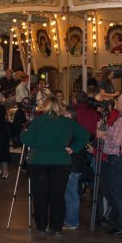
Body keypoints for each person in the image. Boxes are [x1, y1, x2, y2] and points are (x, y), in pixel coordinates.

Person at [20, 96, 89, 235]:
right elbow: (85, 135)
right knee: (58, 196)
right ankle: (56, 228)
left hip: (38, 161)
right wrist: (73, 148)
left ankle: (41, 228)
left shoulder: (38, 121)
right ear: (59, 106)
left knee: (40, 197)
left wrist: (23, 132)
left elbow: (27, 140)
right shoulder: (67, 122)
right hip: (61, 162)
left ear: (45, 106)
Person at [96, 91, 122, 236]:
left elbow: (115, 141)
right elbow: (119, 136)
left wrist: (103, 135)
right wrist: (107, 129)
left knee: (118, 194)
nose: (117, 103)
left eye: (119, 100)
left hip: (118, 159)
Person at [63, 107, 88, 230]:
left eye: (64, 113)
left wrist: (72, 149)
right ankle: (70, 219)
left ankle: (72, 221)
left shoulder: (72, 128)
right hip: (74, 165)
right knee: (71, 193)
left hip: (72, 166)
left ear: (69, 115)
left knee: (70, 194)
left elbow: (85, 137)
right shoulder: (73, 127)